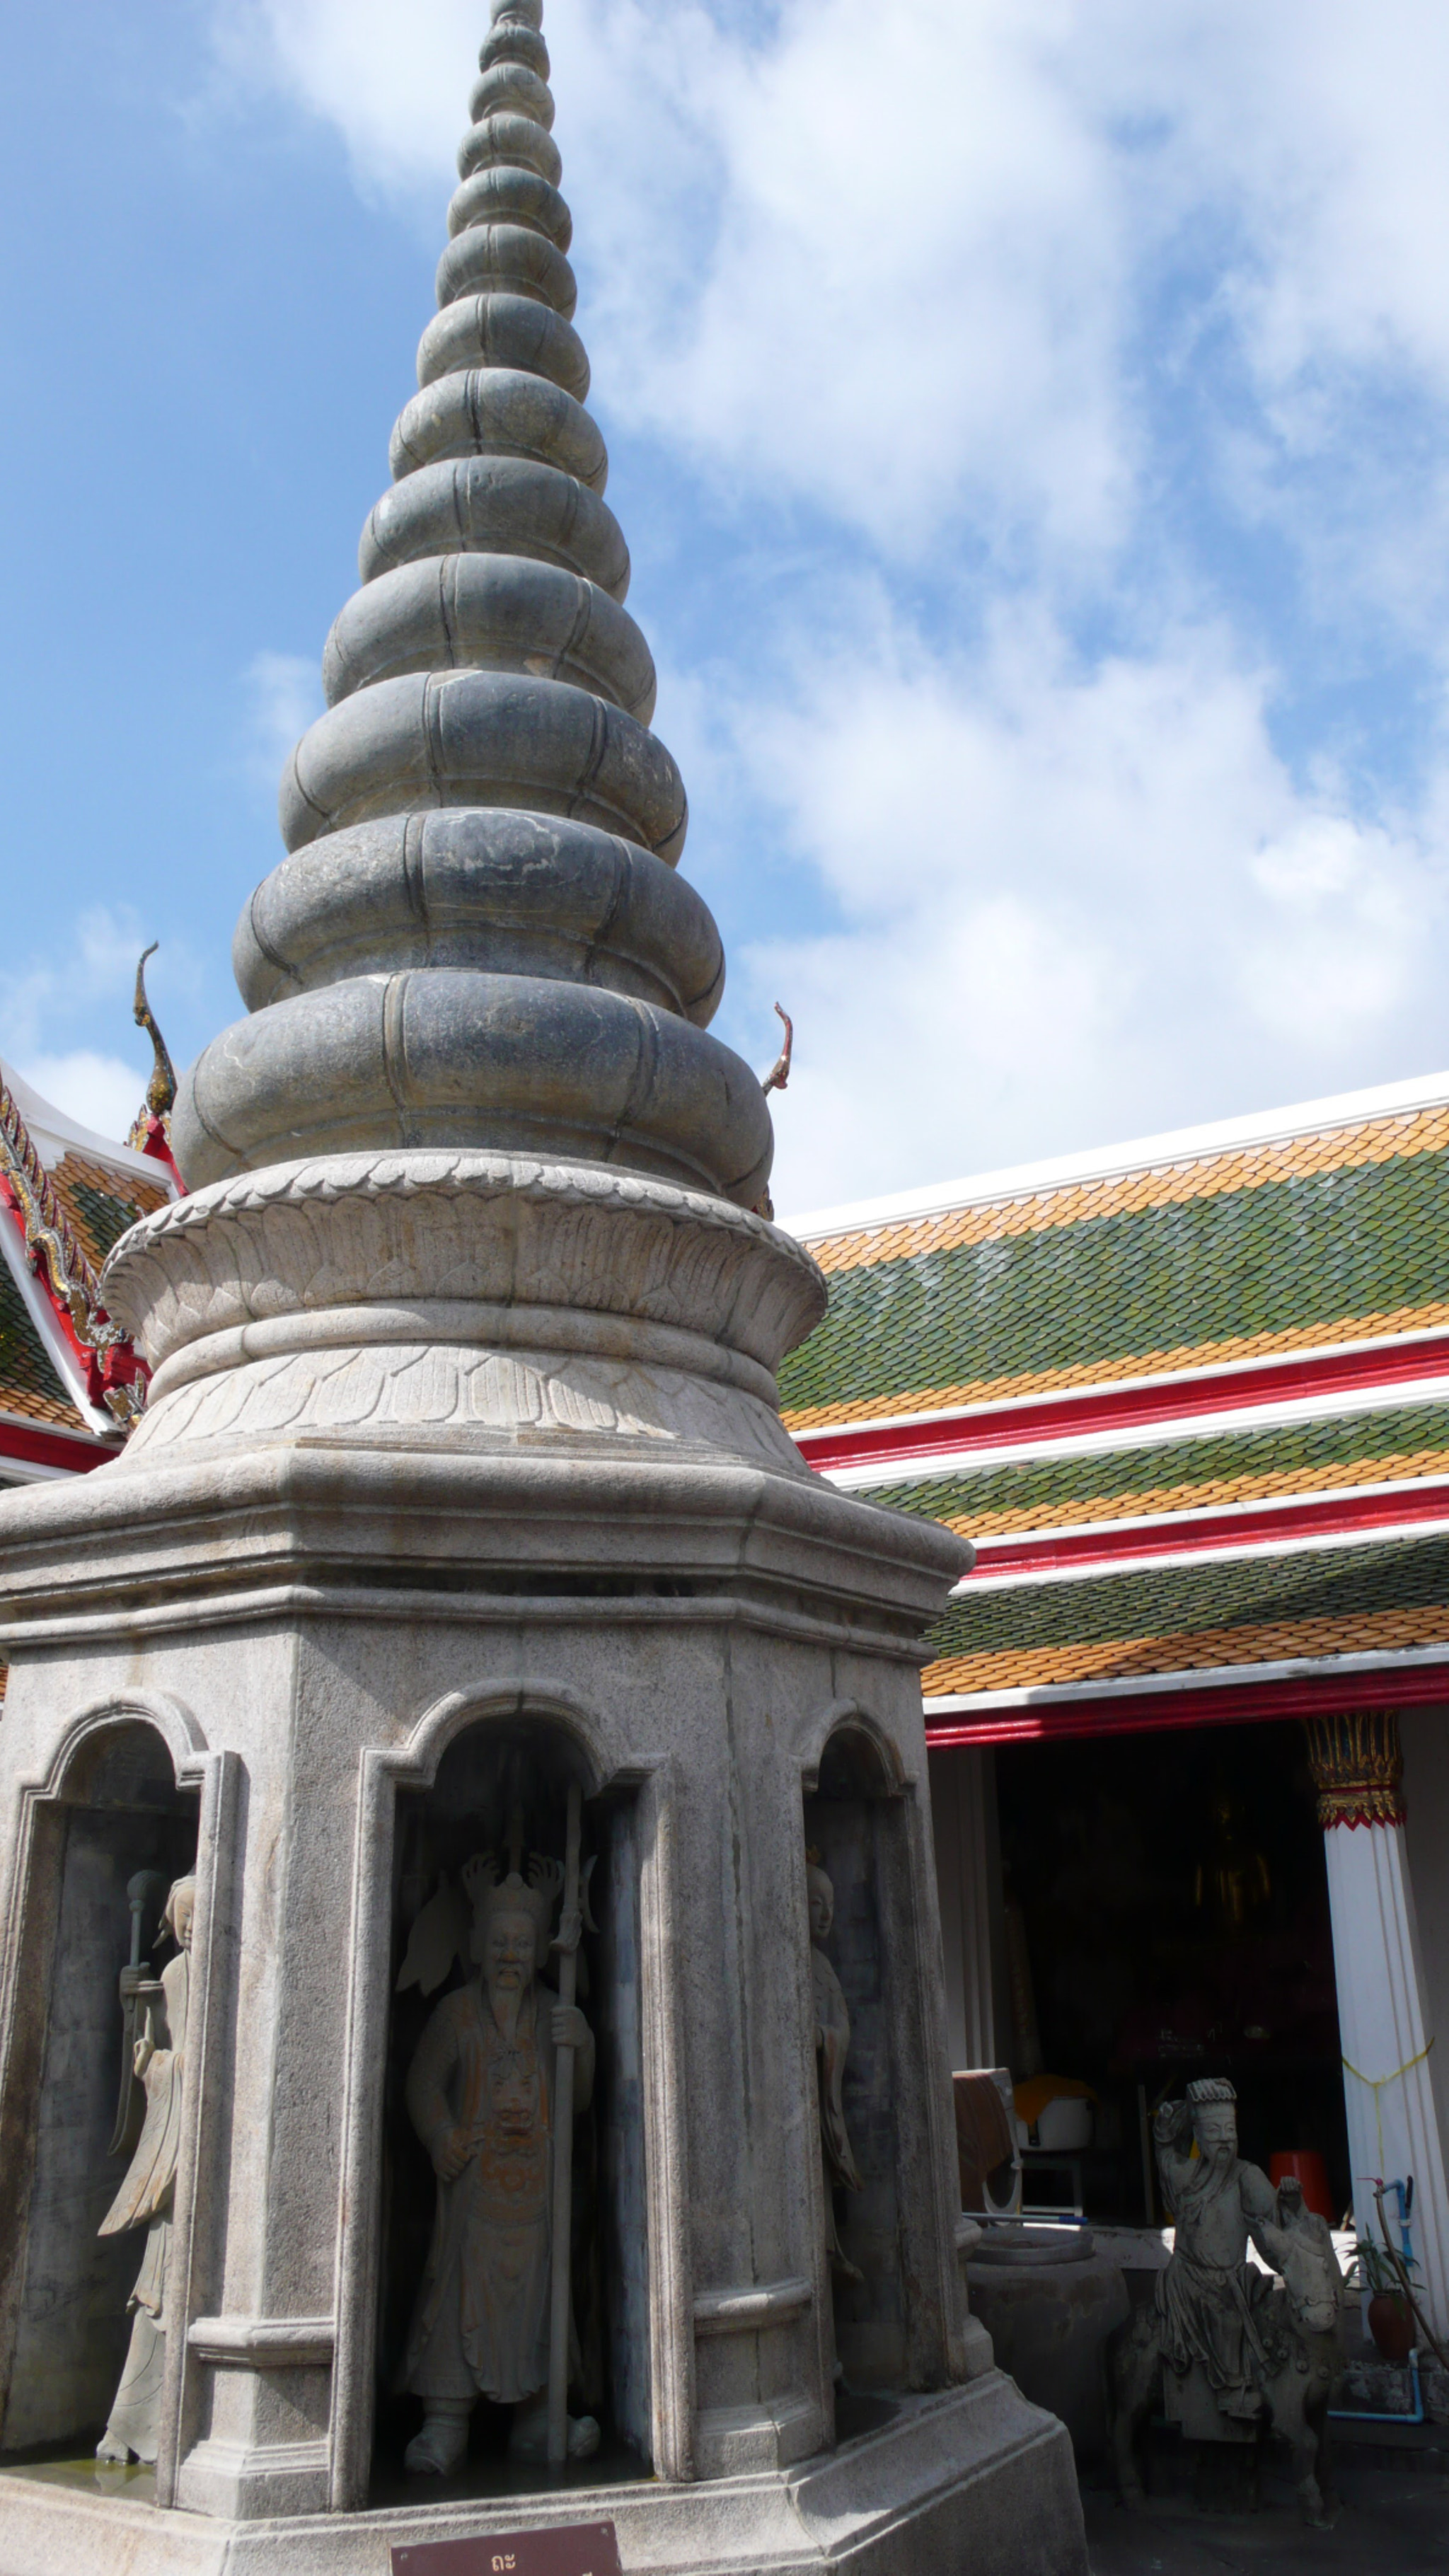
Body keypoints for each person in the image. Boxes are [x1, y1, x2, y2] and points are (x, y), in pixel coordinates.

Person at [401, 1853, 598, 2475]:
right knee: (457, 2291)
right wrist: (441, 2136)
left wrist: (582, 2043)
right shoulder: (457, 2014)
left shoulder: (553, 2012)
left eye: (522, 1942)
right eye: (500, 1941)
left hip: (537, 2190)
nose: (511, 1953)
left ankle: (538, 2418)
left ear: (541, 1949)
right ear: (478, 1945)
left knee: (540, 2296)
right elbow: (422, 2084)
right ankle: (444, 2422)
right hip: (474, 2185)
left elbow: (581, 2100)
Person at [96, 1873, 195, 2465]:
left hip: (210, 2166)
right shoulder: (178, 1975)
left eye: (198, 1916)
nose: (188, 1927)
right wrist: (150, 2057)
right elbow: (156, 2055)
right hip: (173, 2155)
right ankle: (131, 2427)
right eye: (182, 1917)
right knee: (154, 2295)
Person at [1153, 2077, 1278, 2426]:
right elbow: (1164, 2156)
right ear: (1197, 2134)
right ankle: (1232, 2389)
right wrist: (1165, 2128)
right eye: (1213, 2130)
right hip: (1191, 2278)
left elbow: (1273, 2220)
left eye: (1230, 2129)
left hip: (1236, 2275)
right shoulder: (1185, 2174)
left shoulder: (1246, 2176)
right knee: (1226, 2314)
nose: (1224, 2138)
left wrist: (1293, 2205)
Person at [807, 1854, 863, 2280]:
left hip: (818, 2084)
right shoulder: (793, 1963)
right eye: (815, 1903)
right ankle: (822, 2249)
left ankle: (830, 2248)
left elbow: (842, 2026)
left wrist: (825, 2038)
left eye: (831, 1903)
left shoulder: (822, 1967)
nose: (827, 1914)